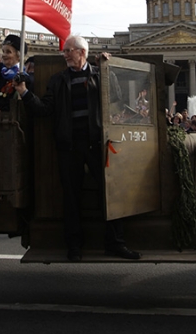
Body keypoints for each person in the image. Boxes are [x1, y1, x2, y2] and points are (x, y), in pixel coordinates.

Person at [14, 34, 140, 262]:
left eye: (68, 50)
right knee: (71, 199)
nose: (64, 55)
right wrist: (24, 93)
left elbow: (116, 98)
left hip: (96, 146)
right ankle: (74, 246)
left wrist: (108, 68)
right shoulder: (58, 80)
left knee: (110, 195)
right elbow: (44, 109)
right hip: (69, 147)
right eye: (64, 51)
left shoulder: (98, 75)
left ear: (82, 52)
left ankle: (115, 243)